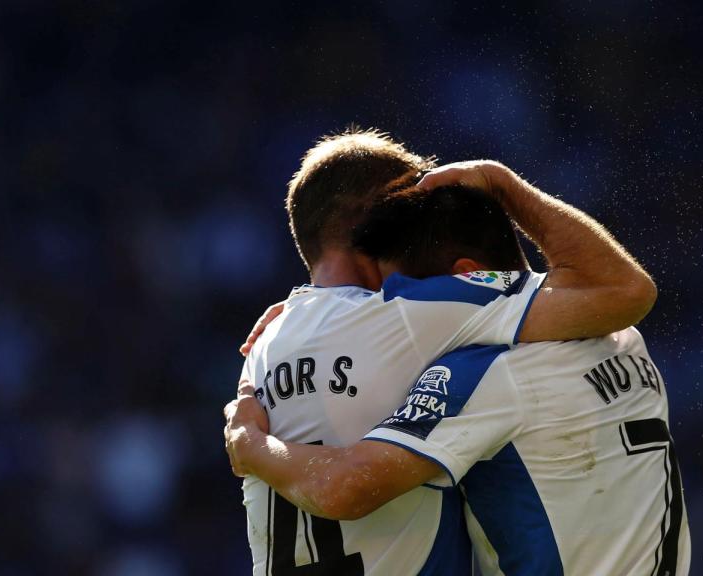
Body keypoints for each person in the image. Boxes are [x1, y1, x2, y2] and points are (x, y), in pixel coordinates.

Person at [231, 127, 657, 575]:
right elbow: (623, 291)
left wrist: (248, 442)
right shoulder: (417, 311)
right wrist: (500, 184)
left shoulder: (264, 346)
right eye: (411, 204)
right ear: (374, 221)